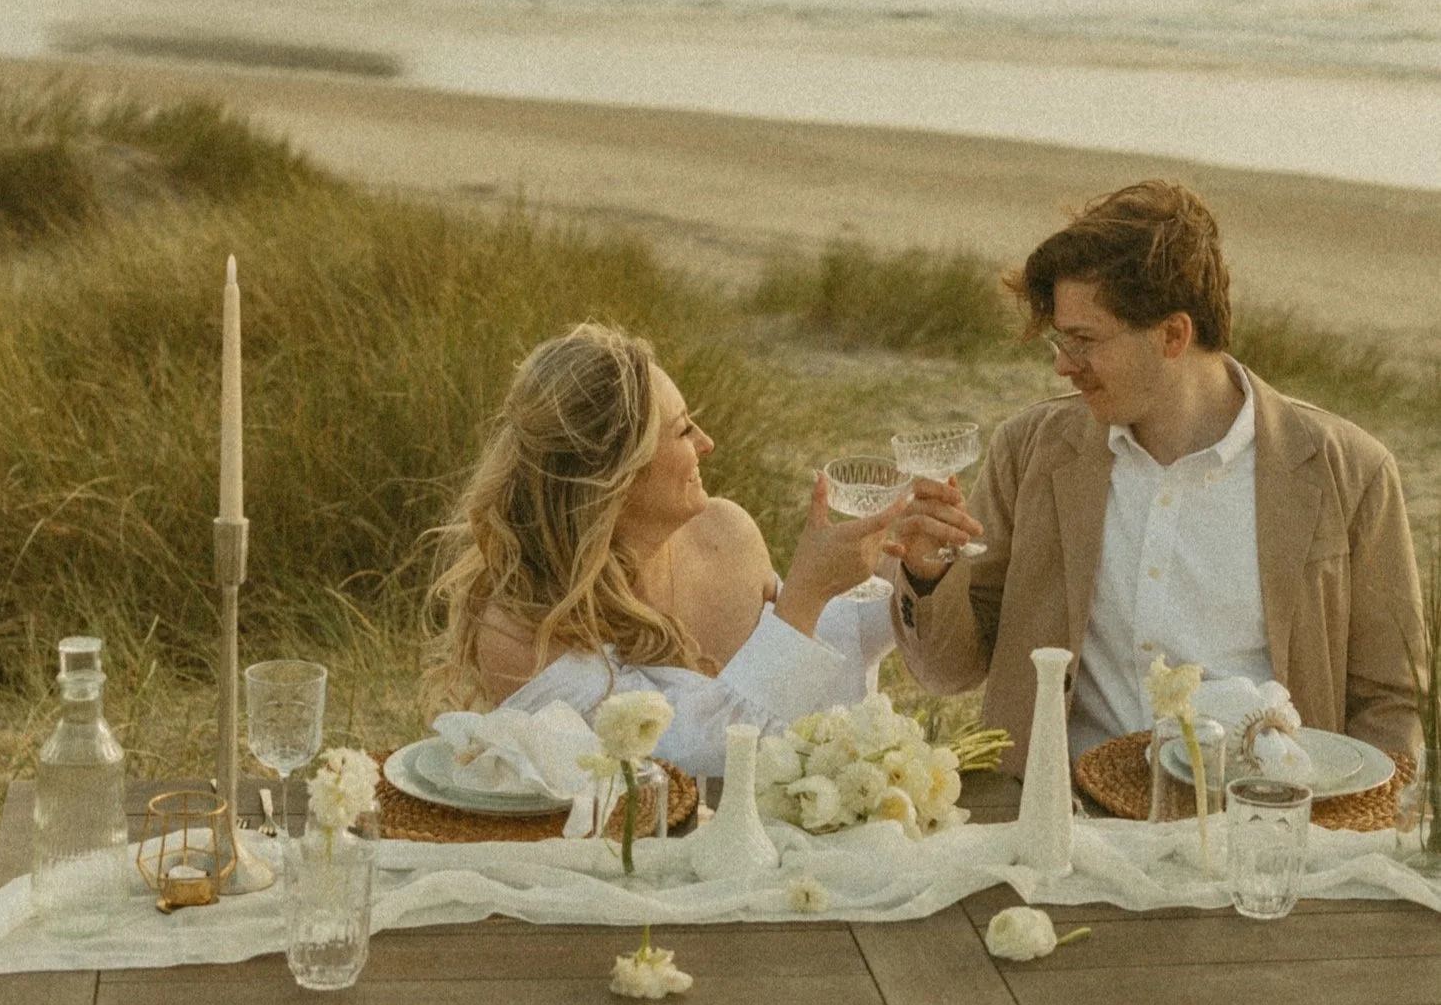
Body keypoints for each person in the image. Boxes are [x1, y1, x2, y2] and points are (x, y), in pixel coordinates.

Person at [889, 180, 1423, 775]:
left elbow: (1391, 701)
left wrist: (1349, 826)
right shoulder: (1029, 450)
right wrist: (929, 576)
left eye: (1084, 340)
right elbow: (948, 672)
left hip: (1259, 826)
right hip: (1059, 819)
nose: (1063, 364)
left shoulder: (1350, 470)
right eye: (1060, 341)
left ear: (1173, 335)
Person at [419, 322, 903, 774]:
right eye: (682, 430)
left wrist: (905, 569)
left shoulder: (724, 530)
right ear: (617, 477)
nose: (708, 443)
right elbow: (689, 760)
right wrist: (806, 592)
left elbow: (823, 643)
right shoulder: (522, 632)